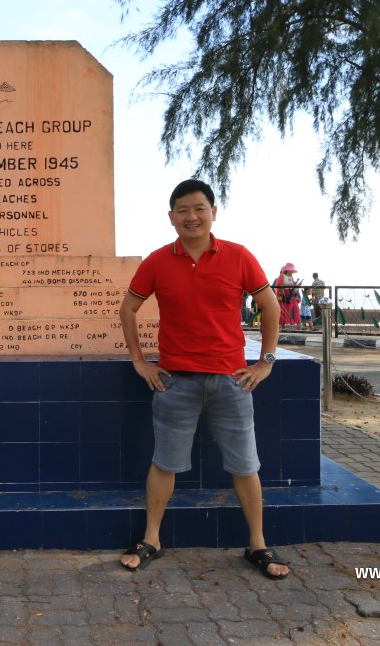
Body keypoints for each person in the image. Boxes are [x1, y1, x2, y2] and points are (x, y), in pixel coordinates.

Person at [118, 179, 290, 580]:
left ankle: (258, 545)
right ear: (171, 217)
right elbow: (128, 309)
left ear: (214, 212)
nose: (191, 217)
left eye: (199, 208)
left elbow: (270, 307)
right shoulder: (157, 261)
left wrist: (266, 362)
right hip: (175, 382)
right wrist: (139, 361)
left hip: (231, 381)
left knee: (246, 465)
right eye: (182, 210)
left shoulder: (238, 256)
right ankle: (152, 540)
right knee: (165, 462)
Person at [272, 263, 302, 329]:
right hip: (283, 295)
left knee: (296, 308)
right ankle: (283, 325)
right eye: (290, 270)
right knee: (284, 310)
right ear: (287, 270)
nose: (292, 272)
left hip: (291, 295)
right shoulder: (281, 276)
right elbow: (278, 286)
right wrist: (280, 295)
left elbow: (293, 286)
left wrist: (297, 285)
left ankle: (298, 324)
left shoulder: (291, 277)